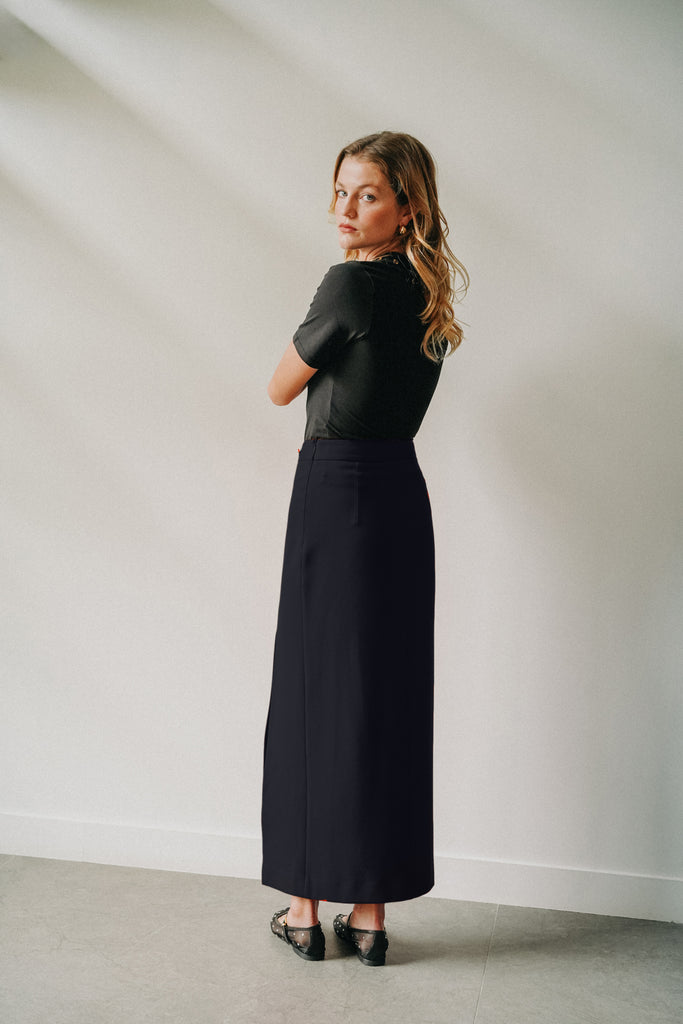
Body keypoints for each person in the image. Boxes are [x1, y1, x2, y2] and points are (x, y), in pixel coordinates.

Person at [261, 131, 468, 966]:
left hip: (334, 488)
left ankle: (304, 911)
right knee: (384, 697)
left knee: (315, 697)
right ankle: (371, 916)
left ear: (407, 206)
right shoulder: (431, 296)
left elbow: (279, 386)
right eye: (341, 190)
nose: (345, 208)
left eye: (367, 194)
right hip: (399, 496)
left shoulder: (349, 283)